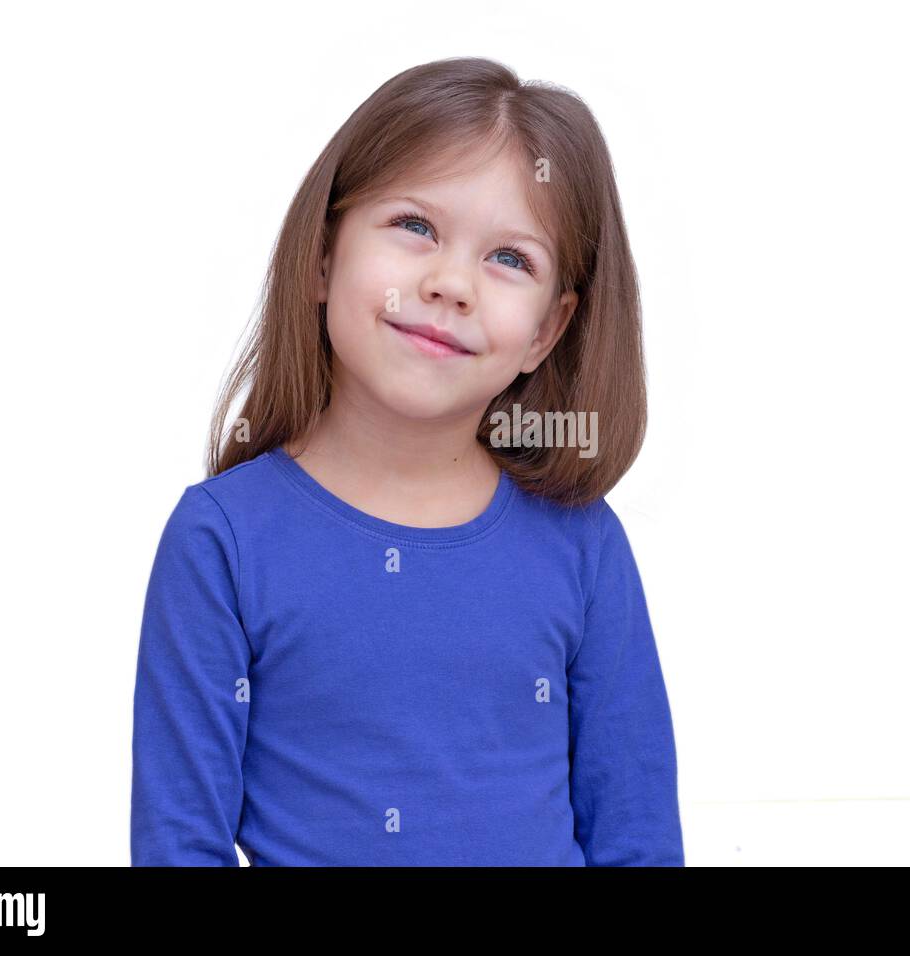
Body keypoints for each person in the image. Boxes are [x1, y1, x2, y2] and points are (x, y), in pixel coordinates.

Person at [130, 56, 684, 866]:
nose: (451, 283)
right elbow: (180, 845)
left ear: (547, 331)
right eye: (416, 226)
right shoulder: (221, 541)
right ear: (323, 258)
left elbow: (637, 835)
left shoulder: (583, 545)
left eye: (510, 259)